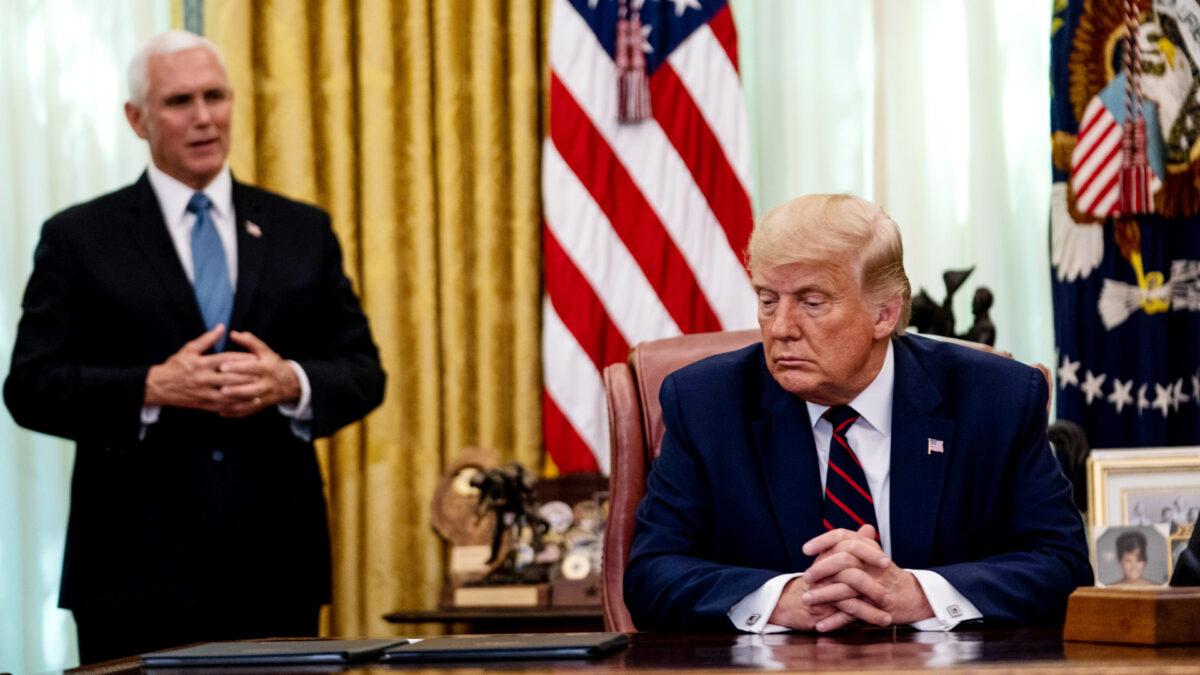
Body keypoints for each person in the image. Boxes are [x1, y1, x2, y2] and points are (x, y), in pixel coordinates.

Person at [4, 31, 385, 663]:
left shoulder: (301, 229)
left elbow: (363, 371)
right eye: (180, 101)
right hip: (131, 577)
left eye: (216, 96)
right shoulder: (79, 237)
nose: (204, 117)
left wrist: (291, 381)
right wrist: (150, 388)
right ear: (138, 119)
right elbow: (31, 386)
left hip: (275, 568)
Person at [624, 194, 1092, 632]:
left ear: (884, 314)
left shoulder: (994, 399)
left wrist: (919, 594)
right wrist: (783, 598)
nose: (781, 328)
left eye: (812, 302)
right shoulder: (706, 403)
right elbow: (651, 574)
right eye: (767, 300)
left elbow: (1064, 566)